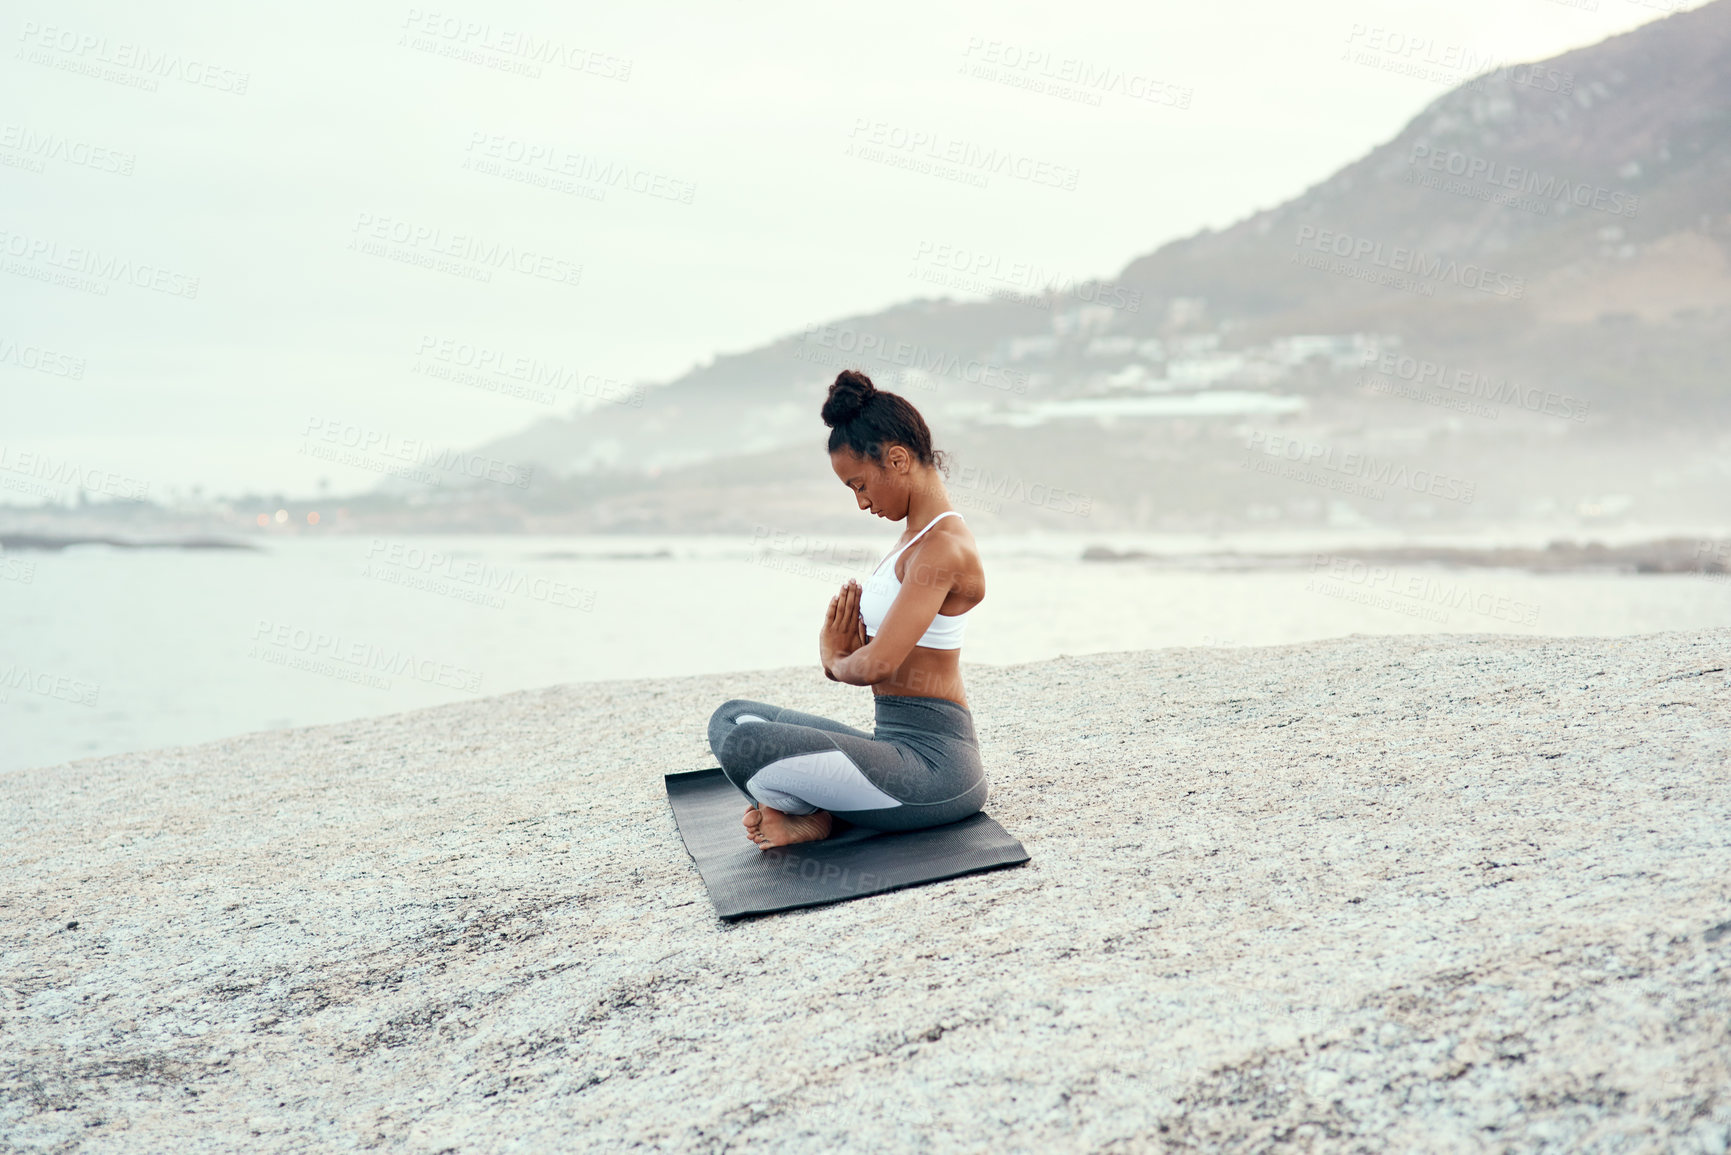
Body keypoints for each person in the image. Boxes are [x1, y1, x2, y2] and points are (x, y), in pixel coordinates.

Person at [706, 369, 989, 849]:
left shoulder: (944, 548)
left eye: (860, 484)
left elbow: (877, 662)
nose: (861, 502)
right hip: (892, 746)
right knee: (732, 719)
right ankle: (810, 813)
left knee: (745, 747)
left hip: (938, 769)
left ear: (897, 460)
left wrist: (835, 660)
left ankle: (805, 814)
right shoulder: (912, 540)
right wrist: (848, 652)